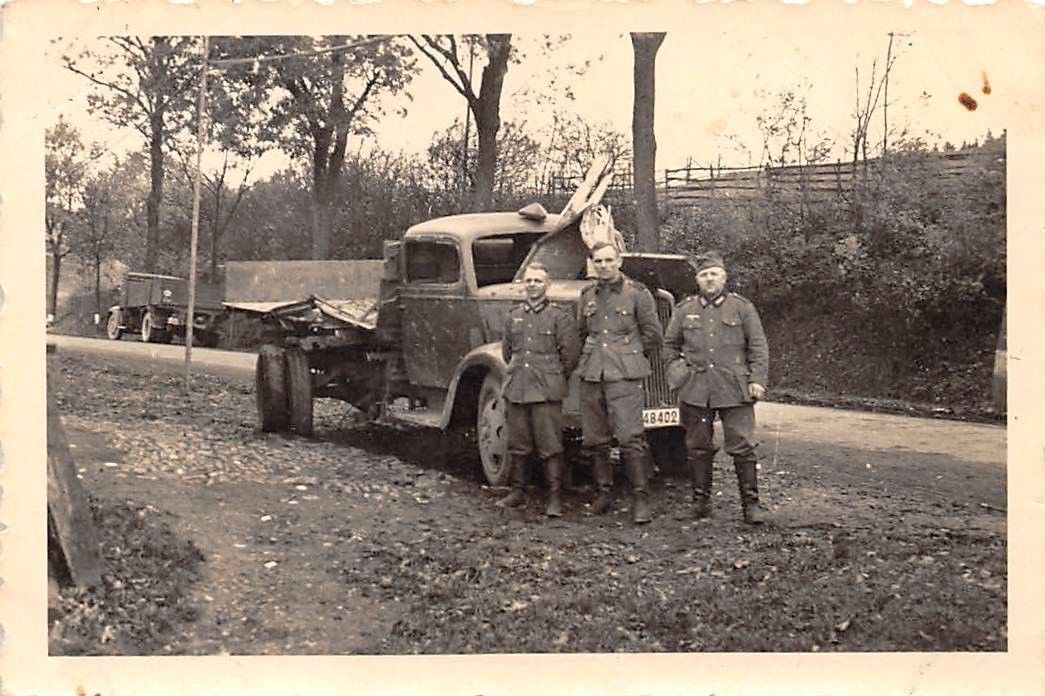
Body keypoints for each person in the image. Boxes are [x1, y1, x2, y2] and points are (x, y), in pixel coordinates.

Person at [662, 251, 770, 524]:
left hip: (734, 388)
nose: (709, 279)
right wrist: (678, 374)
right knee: (698, 446)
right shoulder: (685, 309)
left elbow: (758, 346)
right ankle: (700, 502)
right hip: (696, 388)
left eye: (713, 274)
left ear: (723, 277)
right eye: (703, 275)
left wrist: (757, 380)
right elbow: (669, 346)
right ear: (697, 279)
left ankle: (751, 506)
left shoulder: (742, 308)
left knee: (742, 445)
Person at [575, 241, 663, 524]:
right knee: (595, 439)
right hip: (592, 374)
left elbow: (653, 335)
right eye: (598, 261)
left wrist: (629, 357)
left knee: (629, 437)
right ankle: (604, 493)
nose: (603, 266)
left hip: (624, 376)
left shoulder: (637, 294)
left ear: (619, 261)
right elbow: (581, 332)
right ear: (592, 264)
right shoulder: (587, 294)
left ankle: (640, 498)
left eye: (608, 260)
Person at [497, 263, 580, 517]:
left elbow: (571, 356)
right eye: (529, 280)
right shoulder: (514, 316)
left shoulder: (559, 317)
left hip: (546, 389)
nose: (532, 284)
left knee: (550, 444)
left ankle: (554, 497)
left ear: (548, 285)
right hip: (518, 387)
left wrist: (552, 377)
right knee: (518, 442)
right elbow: (507, 352)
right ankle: (518, 491)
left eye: (538, 281)